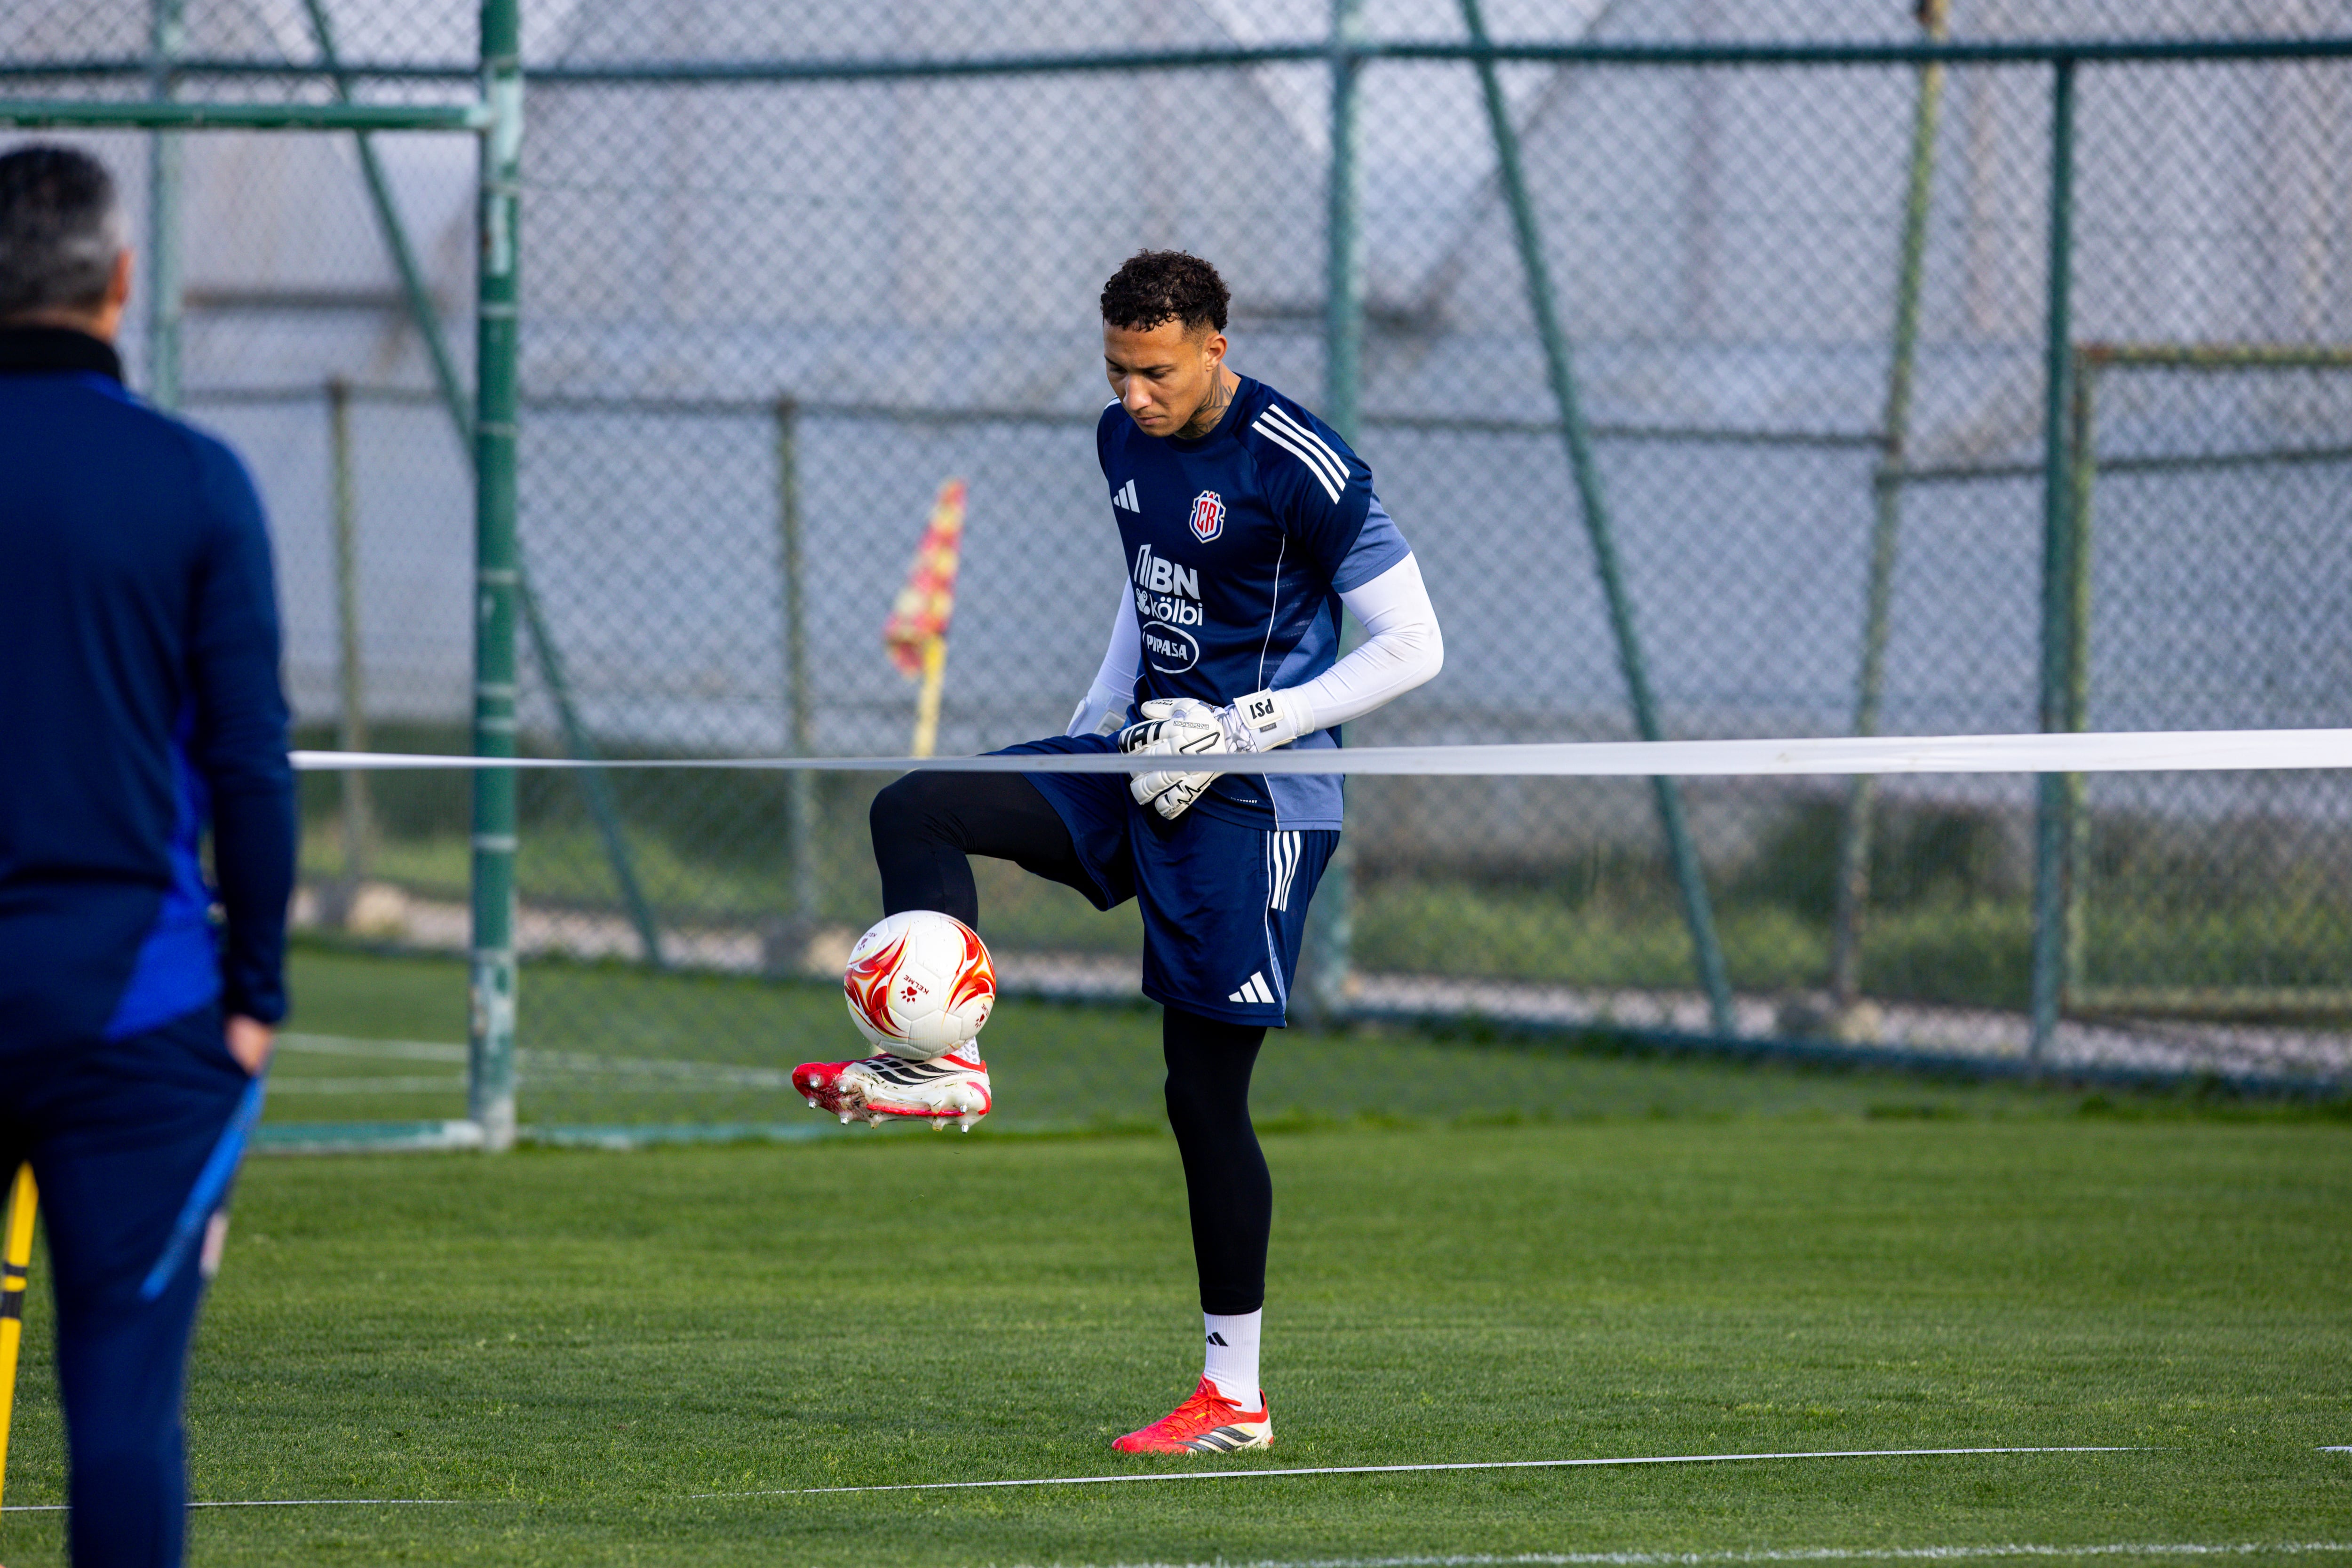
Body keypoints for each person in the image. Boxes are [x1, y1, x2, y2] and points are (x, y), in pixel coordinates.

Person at [795, 250, 1442, 1454]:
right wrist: (1099, 721)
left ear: (1214, 348)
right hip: (1137, 759)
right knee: (918, 807)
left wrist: (1248, 725)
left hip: (1258, 801)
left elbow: (1414, 643)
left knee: (1201, 1097)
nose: (1133, 395)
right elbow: (1150, 588)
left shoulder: (1303, 464)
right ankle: (943, 1059)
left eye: (1156, 373)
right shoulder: (1120, 439)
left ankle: (1233, 1397)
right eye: (1116, 370)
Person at [0, 144, 294, 1564]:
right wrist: (258, 995)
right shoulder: (191, 479)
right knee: (121, 1414)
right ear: (122, 281)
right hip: (140, 1006)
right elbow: (250, 762)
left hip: (126, 999)